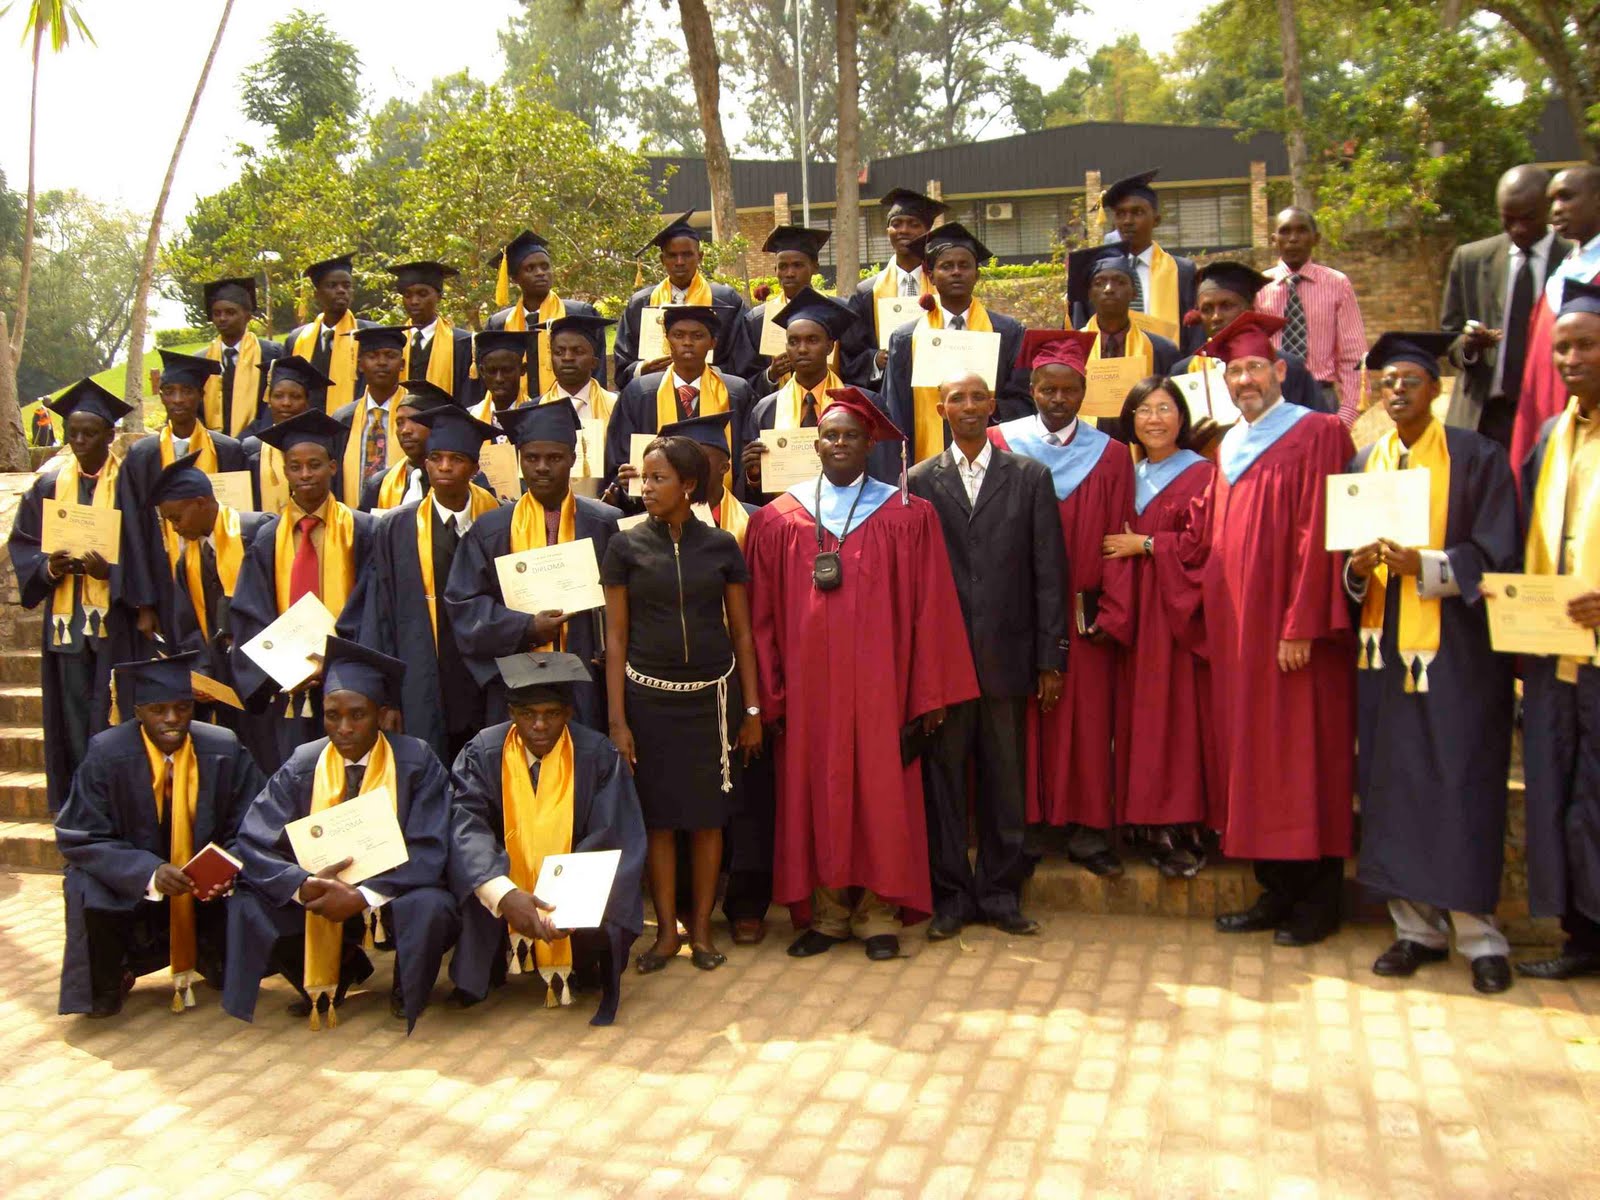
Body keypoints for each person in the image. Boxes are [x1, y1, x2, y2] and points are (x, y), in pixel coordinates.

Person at [744, 388, 978, 960]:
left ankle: (878, 913)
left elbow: (932, 609)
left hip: (883, 688)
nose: (840, 444)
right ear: (816, 444)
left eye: (851, 435)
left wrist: (927, 693)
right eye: (831, 436)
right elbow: (761, 618)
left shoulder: (907, 515)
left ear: (870, 444)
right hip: (809, 692)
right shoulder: (779, 519)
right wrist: (771, 695)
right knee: (817, 793)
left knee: (880, 794)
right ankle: (828, 915)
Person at [1342, 332, 1519, 994]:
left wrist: (1429, 566)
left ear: (1436, 390)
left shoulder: (1477, 457)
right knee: (1392, 783)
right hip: (1383, 653)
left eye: (1410, 381)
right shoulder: (1365, 462)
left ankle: (1479, 936)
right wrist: (1356, 570)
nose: (1397, 391)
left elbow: (1498, 553)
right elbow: (1344, 564)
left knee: (1460, 781)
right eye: (1387, 382)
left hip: (1459, 654)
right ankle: (1415, 930)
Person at [1191, 312, 1357, 947]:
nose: (1245, 380)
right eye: (1234, 371)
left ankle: (1317, 902)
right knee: (1254, 759)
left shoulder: (1317, 432)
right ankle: (1275, 891)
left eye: (1255, 368)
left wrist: (1302, 624)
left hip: (1292, 633)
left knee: (1303, 758)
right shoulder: (1229, 445)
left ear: (1280, 371)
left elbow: (1321, 533)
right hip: (1239, 636)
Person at [225, 637, 460, 1031]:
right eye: (332, 716)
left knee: (433, 906)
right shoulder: (304, 763)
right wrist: (303, 885)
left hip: (392, 893)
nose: (344, 728)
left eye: (358, 715)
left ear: (382, 715)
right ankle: (336, 972)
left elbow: (430, 846)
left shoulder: (416, 761)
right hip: (321, 894)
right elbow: (255, 839)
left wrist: (363, 895)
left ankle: (407, 987)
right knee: (249, 901)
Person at [908, 371, 1065, 938]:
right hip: (945, 665)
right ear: (941, 408)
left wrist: (1051, 658)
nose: (969, 406)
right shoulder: (919, 481)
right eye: (958, 398)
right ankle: (951, 897)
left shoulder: (1029, 476)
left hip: (1008, 658)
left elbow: (1050, 572)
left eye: (979, 397)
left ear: (993, 405)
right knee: (945, 783)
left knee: (1005, 780)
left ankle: (1000, 894)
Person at [601, 432, 762, 973]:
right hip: (649, 701)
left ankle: (703, 932)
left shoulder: (721, 546)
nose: (646, 488)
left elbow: (742, 633)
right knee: (661, 822)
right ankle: (667, 932)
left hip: (714, 701)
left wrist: (753, 710)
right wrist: (617, 721)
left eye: (658, 478)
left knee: (709, 820)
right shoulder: (625, 547)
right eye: (645, 478)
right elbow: (616, 639)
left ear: (688, 485)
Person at [987, 331, 1134, 875]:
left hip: (1082, 610)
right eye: (1047, 389)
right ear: (1032, 390)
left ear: (1083, 392)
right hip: (1020, 611)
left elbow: (1121, 536)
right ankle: (1024, 829)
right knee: (1023, 721)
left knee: (1087, 719)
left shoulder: (1111, 456)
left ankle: (1088, 832)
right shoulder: (1002, 444)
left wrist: (1113, 608)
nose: (1057, 399)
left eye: (1068, 390)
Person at [55, 651, 264, 1017]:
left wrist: (226, 866)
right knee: (84, 884)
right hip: (133, 886)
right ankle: (107, 982)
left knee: (259, 880)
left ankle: (215, 957)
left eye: (182, 708)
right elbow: (80, 834)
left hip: (206, 890)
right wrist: (148, 872)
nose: (172, 719)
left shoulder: (223, 748)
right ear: (138, 711)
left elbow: (256, 821)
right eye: (158, 710)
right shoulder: (108, 752)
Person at [447, 651, 647, 1025]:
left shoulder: (596, 755)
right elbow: (466, 826)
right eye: (528, 714)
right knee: (472, 876)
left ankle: (583, 966)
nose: (539, 725)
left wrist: (568, 901)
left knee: (611, 901)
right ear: (511, 713)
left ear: (568, 713)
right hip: (505, 884)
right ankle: (490, 965)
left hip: (575, 896)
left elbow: (612, 834)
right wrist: (504, 894)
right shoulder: (483, 753)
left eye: (551, 714)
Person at [1512, 278, 1600, 980]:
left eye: (1586, 345)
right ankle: (1582, 936)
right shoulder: (1550, 435)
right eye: (1561, 347)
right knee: (1565, 793)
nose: (1570, 359)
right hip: (1555, 652)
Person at [1101, 377, 1218, 876]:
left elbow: (1206, 547)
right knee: (1141, 718)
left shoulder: (1204, 474)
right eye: (1144, 410)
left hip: (1178, 618)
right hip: (1136, 617)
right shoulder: (1128, 475)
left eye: (1165, 408)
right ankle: (1145, 820)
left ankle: (1182, 822)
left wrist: (1147, 545)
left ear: (1182, 418)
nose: (1154, 419)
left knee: (1178, 719)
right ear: (1131, 419)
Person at [445, 400, 620, 730]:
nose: (542, 467)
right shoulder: (491, 529)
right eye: (531, 458)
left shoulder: (604, 524)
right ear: (519, 459)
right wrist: (525, 628)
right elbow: (465, 604)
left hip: (587, 681)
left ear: (573, 458)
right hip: (516, 681)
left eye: (554, 458)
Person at [7, 379, 135, 814]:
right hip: (66, 629)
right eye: (73, 433)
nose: (79, 441)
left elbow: (147, 553)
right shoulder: (47, 487)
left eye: (89, 433)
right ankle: (79, 807)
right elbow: (24, 543)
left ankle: (115, 806)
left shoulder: (129, 486)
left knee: (112, 715)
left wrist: (110, 572)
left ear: (110, 435)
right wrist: (49, 568)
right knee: (72, 717)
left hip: (114, 622)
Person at [228, 411, 375, 773]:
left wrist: (338, 659)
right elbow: (252, 612)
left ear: (333, 467)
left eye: (314, 465)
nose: (305, 474)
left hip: (350, 682)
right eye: (295, 467)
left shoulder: (363, 531)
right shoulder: (266, 539)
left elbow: (372, 606)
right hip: (288, 688)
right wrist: (284, 666)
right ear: (285, 472)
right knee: (297, 773)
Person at [359, 405, 503, 764]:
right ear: (425, 464)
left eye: (456, 459)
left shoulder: (500, 522)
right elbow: (380, 614)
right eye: (436, 458)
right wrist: (387, 697)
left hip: (485, 680)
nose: (444, 467)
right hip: (422, 676)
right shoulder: (396, 528)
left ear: (475, 468)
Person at [118, 348, 248, 646]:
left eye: (187, 391)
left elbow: (240, 516)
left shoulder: (228, 450)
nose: (178, 399)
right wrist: (145, 603)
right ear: (161, 396)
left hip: (221, 573)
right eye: (169, 391)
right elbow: (133, 530)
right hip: (163, 578)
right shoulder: (142, 456)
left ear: (201, 395)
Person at [1440, 166, 1570, 446]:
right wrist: (1469, 346)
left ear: (1548, 207)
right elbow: (1448, 337)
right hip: (1484, 417)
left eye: (1528, 218)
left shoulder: (1574, 261)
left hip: (1551, 413)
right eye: (1508, 219)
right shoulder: (1471, 260)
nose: (1518, 229)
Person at [883, 223, 1030, 464]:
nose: (956, 272)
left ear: (977, 274)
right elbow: (896, 410)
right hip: (926, 463)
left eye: (964, 265)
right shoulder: (907, 338)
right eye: (946, 266)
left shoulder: (1007, 332)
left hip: (993, 460)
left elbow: (1023, 401)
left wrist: (985, 408)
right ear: (931, 276)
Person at [145, 453, 273, 732]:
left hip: (268, 674)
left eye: (176, 518)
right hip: (224, 681)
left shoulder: (258, 531)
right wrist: (201, 672)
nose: (175, 528)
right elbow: (188, 625)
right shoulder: (187, 561)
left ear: (201, 503)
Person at [739, 288, 879, 499]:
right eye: (793, 341)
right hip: (788, 515)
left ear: (830, 347)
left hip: (855, 511)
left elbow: (882, 471)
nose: (802, 349)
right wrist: (754, 475)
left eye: (812, 340)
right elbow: (755, 497)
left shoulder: (864, 404)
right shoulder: (765, 410)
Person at [604, 305, 755, 495]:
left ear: (713, 343)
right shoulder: (639, 392)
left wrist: (752, 477)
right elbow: (619, 456)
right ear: (667, 340)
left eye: (698, 336)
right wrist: (625, 483)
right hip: (652, 507)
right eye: (678, 335)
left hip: (721, 505)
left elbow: (744, 459)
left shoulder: (736, 392)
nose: (687, 342)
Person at [1510, 164, 1600, 476]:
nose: (1556, 210)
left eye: (1566, 197)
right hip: (1550, 417)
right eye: (1552, 201)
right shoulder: (1563, 272)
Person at [1171, 260, 1327, 424]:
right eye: (1207, 309)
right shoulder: (1184, 372)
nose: (1216, 317)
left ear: (1250, 309)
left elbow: (1319, 428)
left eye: (1226, 306)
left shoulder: (1288, 368)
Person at [612, 210, 756, 387]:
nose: (680, 262)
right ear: (662, 259)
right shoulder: (641, 304)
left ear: (700, 257)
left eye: (687, 254)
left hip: (713, 392)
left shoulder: (726, 300)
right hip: (654, 393)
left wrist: (709, 372)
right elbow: (623, 363)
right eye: (672, 255)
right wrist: (642, 369)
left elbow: (744, 360)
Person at [1254, 207, 1367, 425]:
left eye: (1302, 231)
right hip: (1272, 400)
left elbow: (1353, 355)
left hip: (1321, 397)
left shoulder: (1338, 284)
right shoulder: (1258, 287)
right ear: (1273, 239)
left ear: (1316, 238)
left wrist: (1346, 414)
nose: (1293, 239)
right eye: (1285, 231)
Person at [1069, 169, 1200, 354]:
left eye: (1137, 212)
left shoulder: (1182, 271)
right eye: (1120, 214)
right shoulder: (1095, 273)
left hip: (1166, 366)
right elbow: (1080, 330)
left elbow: (1194, 332)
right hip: (1107, 366)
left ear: (1156, 220)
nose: (1127, 221)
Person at [746, 226, 873, 394]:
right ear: (775, 271)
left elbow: (856, 365)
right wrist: (770, 375)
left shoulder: (840, 312)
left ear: (815, 267)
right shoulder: (758, 319)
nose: (790, 273)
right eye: (783, 266)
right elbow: (744, 378)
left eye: (798, 265)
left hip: (834, 404)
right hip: (779, 407)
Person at [485, 228, 608, 394]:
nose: (540, 273)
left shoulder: (580, 313)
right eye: (530, 268)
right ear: (514, 278)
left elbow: (598, 370)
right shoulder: (499, 324)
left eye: (545, 267)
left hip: (572, 405)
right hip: (516, 408)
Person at [850, 187, 947, 376]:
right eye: (896, 224)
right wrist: (875, 359)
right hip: (886, 387)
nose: (904, 230)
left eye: (914, 224)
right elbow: (851, 351)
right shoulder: (867, 293)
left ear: (928, 232)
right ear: (888, 231)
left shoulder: (944, 286)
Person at [1066, 246, 1181, 385]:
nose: (1109, 289)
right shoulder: (1071, 350)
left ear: (1134, 293)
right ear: (1089, 294)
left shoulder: (1162, 350)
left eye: (1120, 282)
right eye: (1099, 283)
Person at [280, 253, 375, 413]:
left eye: (346, 286)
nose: (341, 291)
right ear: (317, 295)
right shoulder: (297, 339)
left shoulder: (369, 334)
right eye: (332, 285)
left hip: (353, 422)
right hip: (306, 423)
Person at [243, 355, 336, 513]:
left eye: (296, 396)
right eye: (278, 396)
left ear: (307, 402)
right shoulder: (250, 449)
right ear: (268, 400)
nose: (286, 403)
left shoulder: (326, 445)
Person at [333, 325, 408, 504]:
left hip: (403, 514)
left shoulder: (418, 416)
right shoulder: (343, 419)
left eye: (390, 355)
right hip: (352, 515)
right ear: (360, 365)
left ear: (402, 364)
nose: (382, 362)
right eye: (372, 356)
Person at [199, 276, 282, 438]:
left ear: (248, 316)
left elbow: (272, 405)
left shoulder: (271, 354)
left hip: (257, 442)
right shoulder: (202, 360)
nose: (222, 318)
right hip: (212, 443)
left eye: (230, 312)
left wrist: (247, 440)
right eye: (217, 313)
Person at [357, 379, 454, 512]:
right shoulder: (379, 484)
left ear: (438, 425)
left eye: (415, 420)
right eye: (399, 423)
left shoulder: (460, 482)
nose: (405, 430)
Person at [389, 261, 473, 400]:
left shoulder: (463, 343)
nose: (414, 301)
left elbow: (469, 396)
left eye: (422, 294)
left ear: (439, 296)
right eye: (407, 295)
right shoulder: (393, 342)